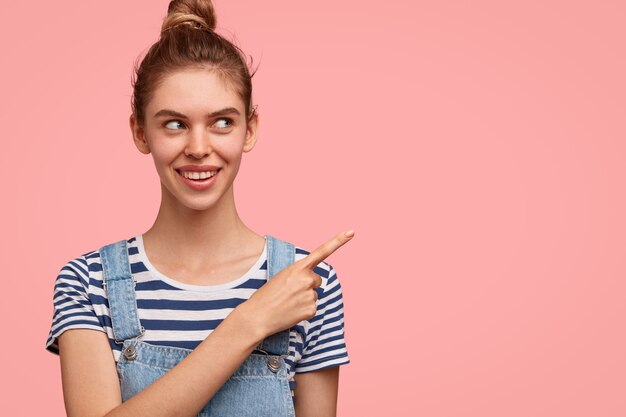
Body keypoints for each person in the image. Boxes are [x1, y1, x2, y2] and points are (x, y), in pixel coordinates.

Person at [44, 1, 354, 416]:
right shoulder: (89, 283)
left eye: (222, 122)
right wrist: (250, 323)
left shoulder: (306, 284)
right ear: (140, 132)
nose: (199, 148)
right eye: (174, 124)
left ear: (250, 128)